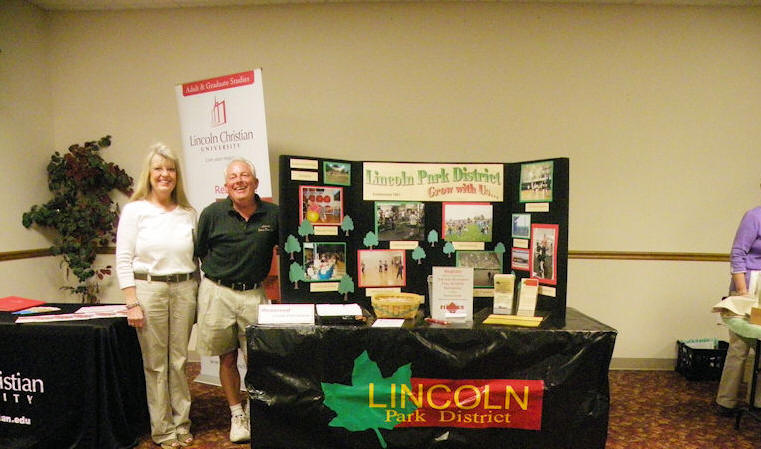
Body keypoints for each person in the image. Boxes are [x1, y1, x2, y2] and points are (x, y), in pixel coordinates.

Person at [116, 143, 197, 449]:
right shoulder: (135, 210)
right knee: (156, 365)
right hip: (149, 290)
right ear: (148, 174)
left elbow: (197, 258)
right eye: (158, 168)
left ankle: (182, 423)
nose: (165, 174)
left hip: (185, 288)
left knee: (179, 361)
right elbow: (123, 258)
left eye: (170, 169)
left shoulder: (189, 213)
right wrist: (132, 302)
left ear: (177, 175)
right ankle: (162, 430)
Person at [195, 158, 279, 443]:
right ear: (226, 184)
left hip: (254, 294)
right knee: (227, 356)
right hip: (218, 292)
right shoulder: (212, 213)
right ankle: (236, 414)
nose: (239, 180)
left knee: (258, 358)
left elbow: (286, 249)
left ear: (255, 182)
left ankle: (254, 410)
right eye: (233, 176)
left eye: (245, 175)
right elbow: (200, 250)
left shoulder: (273, 214)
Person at [716, 204, 761, 416]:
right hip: (747, 284)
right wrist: (743, 293)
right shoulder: (754, 216)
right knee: (739, 346)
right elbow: (737, 253)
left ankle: (757, 401)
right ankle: (726, 401)